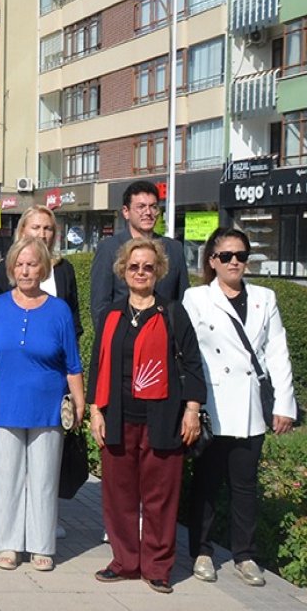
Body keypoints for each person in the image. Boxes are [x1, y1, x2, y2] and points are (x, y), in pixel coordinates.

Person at [87, 238, 204, 594]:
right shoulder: (111, 315)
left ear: (159, 272)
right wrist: (95, 409)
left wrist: (193, 410)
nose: (140, 272)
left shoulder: (172, 312)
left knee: (160, 497)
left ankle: (156, 566)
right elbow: (99, 362)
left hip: (163, 417)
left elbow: (193, 364)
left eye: (148, 267)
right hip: (118, 415)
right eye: (134, 266)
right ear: (123, 271)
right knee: (119, 495)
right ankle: (124, 561)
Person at [184, 228, 297, 587]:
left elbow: (278, 353)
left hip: (249, 403)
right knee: (206, 482)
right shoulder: (197, 297)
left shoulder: (266, 297)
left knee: (245, 485)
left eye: (241, 255)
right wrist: (190, 404)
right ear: (212, 261)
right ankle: (201, 550)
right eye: (226, 256)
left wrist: (284, 404)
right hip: (213, 403)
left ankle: (245, 554)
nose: (235, 262)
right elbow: (187, 354)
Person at [0, 237, 85, 572]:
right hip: (5, 404)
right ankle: (7, 543)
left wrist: (79, 403)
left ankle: (41, 545)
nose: (25, 270)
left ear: (43, 268)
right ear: (11, 268)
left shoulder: (59, 310)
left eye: (32, 264)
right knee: (5, 475)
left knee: (44, 477)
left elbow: (73, 363)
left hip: (47, 406)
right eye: (20, 264)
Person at [90, 180, 189, 325]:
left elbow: (182, 299)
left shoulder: (174, 249)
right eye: (141, 207)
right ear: (126, 212)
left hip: (165, 336)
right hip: (123, 337)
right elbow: (100, 305)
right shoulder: (109, 248)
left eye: (153, 207)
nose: (148, 212)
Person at [0, 205, 83, 339]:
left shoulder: (64, 269)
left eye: (48, 229)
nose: (42, 234)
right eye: (36, 227)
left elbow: (73, 319)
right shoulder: (4, 268)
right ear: (22, 231)